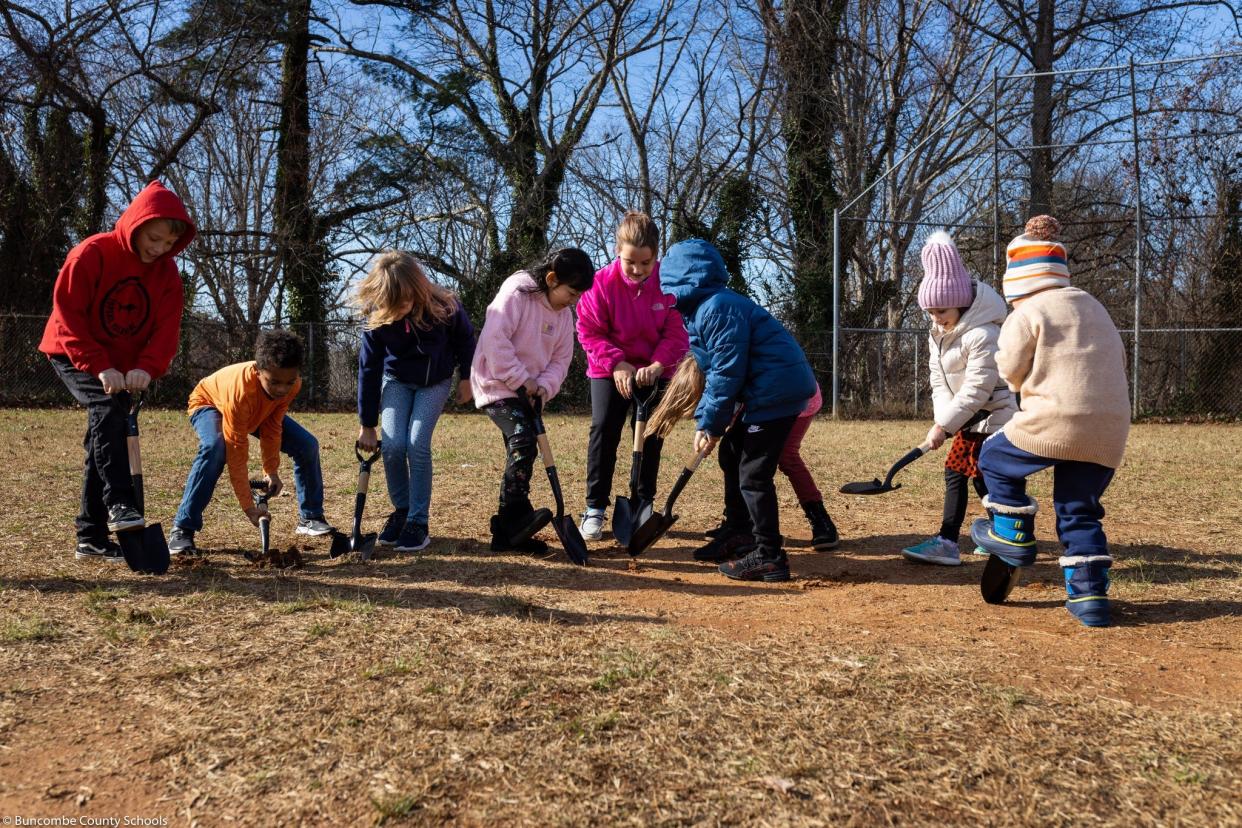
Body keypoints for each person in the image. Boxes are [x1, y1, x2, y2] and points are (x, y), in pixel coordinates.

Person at [971, 216, 1130, 627]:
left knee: (994, 455)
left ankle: (1012, 531)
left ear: (1016, 283)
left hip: (1056, 417)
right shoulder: (1093, 304)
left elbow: (1008, 364)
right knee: (1079, 509)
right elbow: (1118, 358)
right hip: (1109, 427)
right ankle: (1090, 596)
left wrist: (1022, 381)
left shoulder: (1028, 311)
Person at [38, 180, 195, 562]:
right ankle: (120, 503)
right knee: (107, 412)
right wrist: (99, 366)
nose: (159, 249)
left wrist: (146, 367)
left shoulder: (167, 275)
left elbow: (165, 330)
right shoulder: (91, 254)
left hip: (122, 365)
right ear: (136, 223)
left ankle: (90, 537)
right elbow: (68, 317)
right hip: (72, 350)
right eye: (153, 238)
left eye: (168, 244)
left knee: (103, 432)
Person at [648, 239, 816, 582]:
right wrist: (709, 422)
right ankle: (740, 530)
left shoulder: (716, 308)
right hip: (765, 391)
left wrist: (710, 423)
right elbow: (714, 373)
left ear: (680, 280)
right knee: (732, 453)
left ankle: (770, 555)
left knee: (753, 473)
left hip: (776, 393)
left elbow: (727, 371)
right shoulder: (702, 310)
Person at [900, 231, 1016, 566]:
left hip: (993, 416)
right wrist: (942, 421)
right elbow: (938, 381)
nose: (936, 317)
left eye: (942, 310)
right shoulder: (939, 334)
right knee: (980, 476)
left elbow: (978, 389)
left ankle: (948, 543)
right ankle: (1004, 530)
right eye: (931, 311)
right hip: (969, 417)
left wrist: (945, 426)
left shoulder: (984, 333)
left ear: (962, 301)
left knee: (959, 473)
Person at [471, 248, 595, 553]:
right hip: (496, 384)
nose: (575, 300)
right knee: (523, 440)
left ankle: (512, 530)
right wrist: (521, 380)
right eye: (571, 292)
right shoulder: (517, 291)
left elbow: (561, 360)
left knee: (521, 448)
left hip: (528, 392)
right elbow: (494, 341)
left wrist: (543, 387)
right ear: (552, 279)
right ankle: (512, 519)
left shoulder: (564, 317)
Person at [168, 329, 334, 554]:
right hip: (210, 404)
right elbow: (236, 450)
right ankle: (182, 528)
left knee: (307, 445)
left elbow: (273, 427)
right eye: (274, 382)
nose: (282, 389)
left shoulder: (290, 386)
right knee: (215, 448)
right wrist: (248, 506)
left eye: (289, 382)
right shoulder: (241, 391)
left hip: (257, 412)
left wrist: (271, 471)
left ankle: (311, 518)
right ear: (257, 370)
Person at [575, 211, 688, 540]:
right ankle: (595, 507)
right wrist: (617, 364)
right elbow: (589, 331)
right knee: (604, 431)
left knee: (653, 435)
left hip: (655, 369)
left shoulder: (668, 285)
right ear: (617, 252)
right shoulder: (600, 284)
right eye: (630, 263)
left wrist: (657, 364)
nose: (638, 271)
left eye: (646, 263)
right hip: (609, 369)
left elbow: (677, 333)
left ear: (656, 256)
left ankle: (643, 504)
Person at [355, 251, 476, 553]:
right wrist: (367, 424)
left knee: (417, 443)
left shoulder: (445, 307)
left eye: (404, 303)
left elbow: (465, 340)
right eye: (390, 305)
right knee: (394, 446)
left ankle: (418, 522)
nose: (397, 311)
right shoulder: (377, 317)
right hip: (395, 381)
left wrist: (467, 378)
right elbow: (369, 370)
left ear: (418, 289)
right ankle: (402, 512)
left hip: (435, 382)